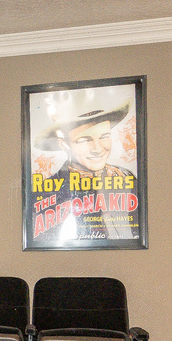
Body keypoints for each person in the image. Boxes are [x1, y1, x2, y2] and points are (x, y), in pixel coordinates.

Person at [37, 101, 137, 240]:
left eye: (104, 137)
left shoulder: (125, 178)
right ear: (63, 144)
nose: (98, 149)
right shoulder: (46, 190)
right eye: (84, 140)